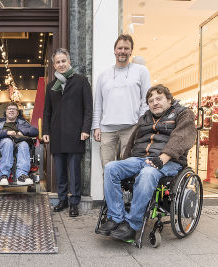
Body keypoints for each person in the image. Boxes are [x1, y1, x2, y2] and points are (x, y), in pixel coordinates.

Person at [98, 84, 197, 242]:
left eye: (159, 98)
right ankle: (116, 218)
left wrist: (163, 158)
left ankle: (132, 225)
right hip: (140, 158)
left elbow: (182, 137)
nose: (154, 103)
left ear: (169, 99)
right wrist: (125, 162)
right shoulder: (145, 117)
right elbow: (132, 141)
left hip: (168, 160)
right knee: (111, 168)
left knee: (148, 173)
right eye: (151, 100)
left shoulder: (183, 114)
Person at [42, 48, 93, 217]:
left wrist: (86, 129)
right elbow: (47, 112)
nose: (61, 64)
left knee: (75, 171)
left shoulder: (81, 81)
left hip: (76, 134)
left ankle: (74, 202)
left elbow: (88, 109)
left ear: (69, 62)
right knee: (60, 171)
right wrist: (46, 131)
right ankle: (62, 199)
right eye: (58, 62)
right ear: (54, 65)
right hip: (57, 134)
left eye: (63, 61)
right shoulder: (51, 86)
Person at [92, 34, 151, 168]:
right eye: (120, 48)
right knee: (107, 168)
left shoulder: (141, 71)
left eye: (126, 48)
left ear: (131, 51)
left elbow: (146, 99)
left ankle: (125, 190)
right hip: (107, 129)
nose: (122, 51)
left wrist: (140, 122)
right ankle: (109, 190)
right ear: (114, 50)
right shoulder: (103, 75)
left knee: (128, 168)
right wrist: (96, 126)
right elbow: (98, 104)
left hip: (131, 127)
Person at [0, 102, 39, 186]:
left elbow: (35, 131)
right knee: (7, 142)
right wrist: (6, 132)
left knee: (24, 144)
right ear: (6, 111)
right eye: (9, 109)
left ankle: (22, 176)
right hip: (5, 145)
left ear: (17, 113)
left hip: (20, 145)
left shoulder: (23, 123)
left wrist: (22, 132)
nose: (11, 111)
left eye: (14, 109)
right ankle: (3, 175)